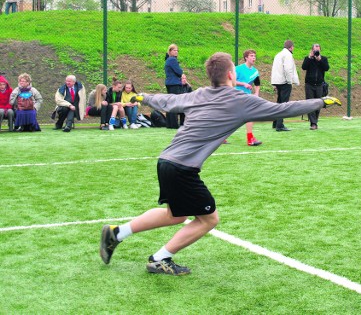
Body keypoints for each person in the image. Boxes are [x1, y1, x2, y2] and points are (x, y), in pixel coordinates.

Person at [99, 52, 342, 276]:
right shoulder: (240, 100)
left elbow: (169, 100)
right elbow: (282, 108)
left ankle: (117, 233)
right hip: (183, 168)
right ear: (230, 75)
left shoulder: (200, 93)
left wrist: (145, 97)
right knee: (209, 219)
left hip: (166, 161)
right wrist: (320, 101)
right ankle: (159, 258)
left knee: (175, 215)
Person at [235, 49, 263, 146]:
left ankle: (250, 138)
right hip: (236, 96)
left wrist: (256, 93)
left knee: (249, 115)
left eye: (254, 56)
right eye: (251, 56)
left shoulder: (255, 71)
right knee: (245, 116)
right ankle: (250, 139)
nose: (253, 58)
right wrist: (243, 84)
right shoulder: (238, 69)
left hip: (247, 97)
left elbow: (257, 83)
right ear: (246, 58)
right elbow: (231, 81)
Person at [270, 39, 299, 131]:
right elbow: (288, 69)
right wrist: (289, 80)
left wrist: (274, 82)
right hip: (284, 82)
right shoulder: (288, 55)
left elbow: (275, 69)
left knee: (279, 102)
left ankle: (275, 123)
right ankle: (280, 125)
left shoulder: (278, 54)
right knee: (284, 104)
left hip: (277, 81)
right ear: (291, 47)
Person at [301, 43, 330, 130]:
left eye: (318, 49)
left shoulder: (323, 59)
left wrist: (319, 60)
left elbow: (326, 68)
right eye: (315, 50)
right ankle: (313, 123)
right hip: (309, 85)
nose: (316, 51)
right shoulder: (308, 58)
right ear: (312, 50)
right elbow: (304, 67)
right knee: (310, 104)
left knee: (318, 104)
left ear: (320, 50)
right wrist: (310, 57)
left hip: (319, 85)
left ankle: (315, 121)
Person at [164, 44, 184, 129]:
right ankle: (174, 124)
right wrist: (182, 73)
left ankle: (170, 124)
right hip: (174, 84)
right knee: (175, 103)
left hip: (170, 83)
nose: (176, 52)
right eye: (174, 50)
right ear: (170, 51)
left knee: (170, 103)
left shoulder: (168, 60)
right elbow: (179, 71)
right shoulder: (172, 60)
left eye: (177, 50)